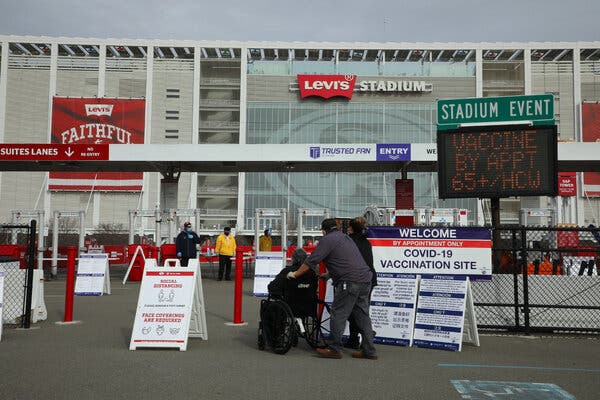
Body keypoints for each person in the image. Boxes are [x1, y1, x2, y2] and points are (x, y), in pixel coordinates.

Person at [288, 218, 377, 360]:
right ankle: (369, 350)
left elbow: (311, 261)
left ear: (324, 231)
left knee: (338, 313)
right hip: (366, 280)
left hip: (349, 282)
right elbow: (348, 260)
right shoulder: (345, 238)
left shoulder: (327, 240)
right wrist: (329, 275)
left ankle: (334, 348)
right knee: (362, 316)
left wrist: (295, 273)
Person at [344, 216, 377, 350]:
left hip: (355, 278)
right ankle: (359, 338)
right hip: (370, 278)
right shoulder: (366, 242)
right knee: (362, 309)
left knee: (349, 310)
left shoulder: (349, 242)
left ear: (351, 228)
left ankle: (363, 335)